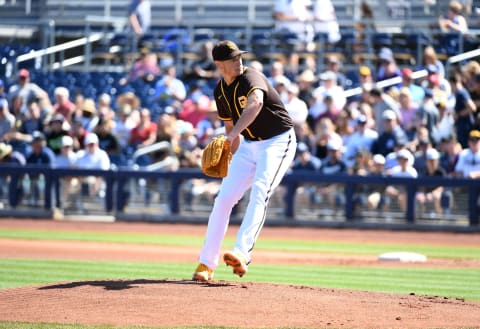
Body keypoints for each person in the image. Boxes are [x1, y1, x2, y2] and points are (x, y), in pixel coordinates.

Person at [192, 40, 297, 282]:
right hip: (248, 146)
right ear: (219, 64)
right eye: (233, 59)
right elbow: (230, 128)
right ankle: (206, 263)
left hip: (278, 141)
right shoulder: (220, 91)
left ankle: (241, 253)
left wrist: (231, 136)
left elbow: (256, 103)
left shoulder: (251, 77)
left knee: (260, 191)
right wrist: (229, 150)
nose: (239, 61)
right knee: (224, 199)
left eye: (239, 56)